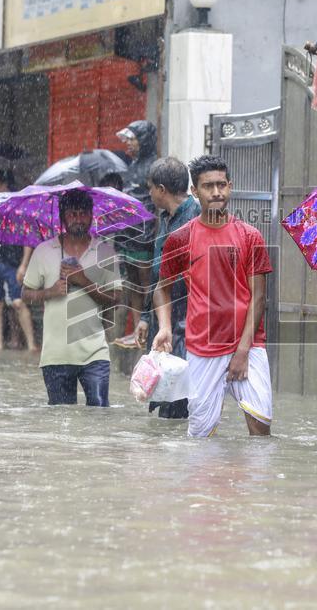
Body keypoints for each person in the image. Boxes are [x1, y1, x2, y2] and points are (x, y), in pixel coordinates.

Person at [153, 155, 274, 438]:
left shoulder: (250, 236)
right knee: (200, 437)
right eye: (208, 186)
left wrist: (242, 351)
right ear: (195, 191)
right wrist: (165, 327)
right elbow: (162, 287)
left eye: (222, 185)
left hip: (249, 344)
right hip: (202, 347)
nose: (217, 192)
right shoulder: (180, 239)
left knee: (260, 430)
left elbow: (258, 298)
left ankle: (253, 484)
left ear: (230, 186)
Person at [20, 189, 122, 405]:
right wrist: (50, 292)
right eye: (72, 213)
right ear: (63, 217)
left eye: (83, 213)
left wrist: (83, 281)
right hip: (56, 355)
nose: (78, 219)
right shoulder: (43, 250)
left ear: (92, 215)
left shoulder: (105, 252)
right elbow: (25, 294)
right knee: (59, 424)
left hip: (96, 353)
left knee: (99, 416)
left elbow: (115, 300)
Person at [134, 157, 201, 419]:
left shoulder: (196, 217)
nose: (149, 193)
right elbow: (158, 274)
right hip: (165, 324)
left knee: (181, 403)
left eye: (151, 188)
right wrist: (144, 318)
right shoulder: (165, 219)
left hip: (189, 326)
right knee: (164, 402)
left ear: (161, 189)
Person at [113, 120, 159, 348]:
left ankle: (148, 328)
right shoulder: (131, 166)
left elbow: (157, 203)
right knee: (132, 284)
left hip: (145, 236)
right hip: (126, 233)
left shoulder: (154, 167)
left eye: (133, 139)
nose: (129, 144)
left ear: (145, 141)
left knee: (147, 283)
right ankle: (137, 331)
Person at [0, 170, 37, 351]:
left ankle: (31, 345)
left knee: (18, 303)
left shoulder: (18, 208)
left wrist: (24, 264)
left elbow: (28, 238)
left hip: (12, 262)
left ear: (4, 185)